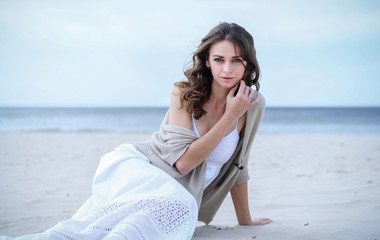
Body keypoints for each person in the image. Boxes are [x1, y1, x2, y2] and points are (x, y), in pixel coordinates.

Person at [1, 22, 272, 240]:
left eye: (236, 60)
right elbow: (184, 162)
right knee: (107, 229)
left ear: (248, 64)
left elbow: (240, 165)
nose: (227, 69)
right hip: (147, 171)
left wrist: (245, 221)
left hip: (179, 194)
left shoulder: (253, 105)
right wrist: (229, 117)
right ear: (207, 61)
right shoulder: (183, 93)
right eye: (219, 59)